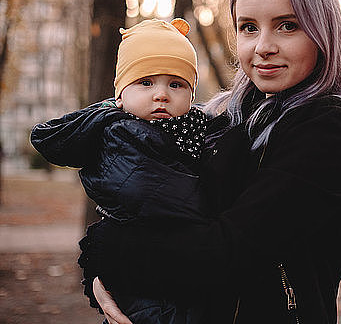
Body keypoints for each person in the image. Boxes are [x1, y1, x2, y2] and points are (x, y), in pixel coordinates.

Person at [80, 0, 341, 323]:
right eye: (248, 27)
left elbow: (225, 253)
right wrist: (107, 283)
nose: (263, 46)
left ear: (322, 33)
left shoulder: (331, 130)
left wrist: (101, 250)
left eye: (287, 25)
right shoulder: (231, 117)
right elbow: (167, 213)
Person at [30, 18, 213, 323]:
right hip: (143, 290)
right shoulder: (120, 135)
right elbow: (159, 194)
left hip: (175, 278)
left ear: (192, 97)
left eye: (176, 84)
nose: (161, 94)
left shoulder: (190, 133)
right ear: (120, 95)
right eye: (146, 82)